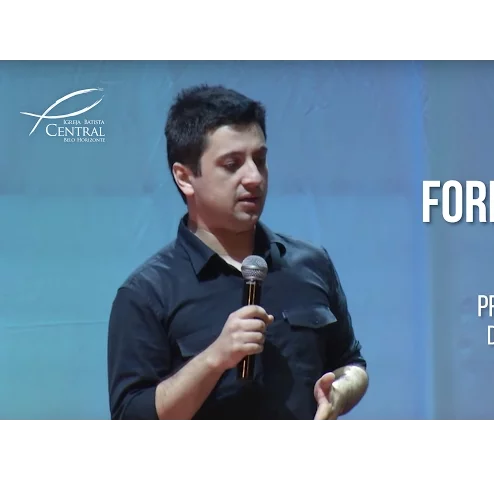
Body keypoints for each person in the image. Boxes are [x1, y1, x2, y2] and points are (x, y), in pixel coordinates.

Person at [107, 84, 369, 420]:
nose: (254, 178)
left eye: (260, 160)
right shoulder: (147, 293)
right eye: (232, 164)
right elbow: (131, 414)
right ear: (185, 177)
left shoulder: (311, 264)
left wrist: (340, 392)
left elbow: (351, 363)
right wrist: (214, 358)